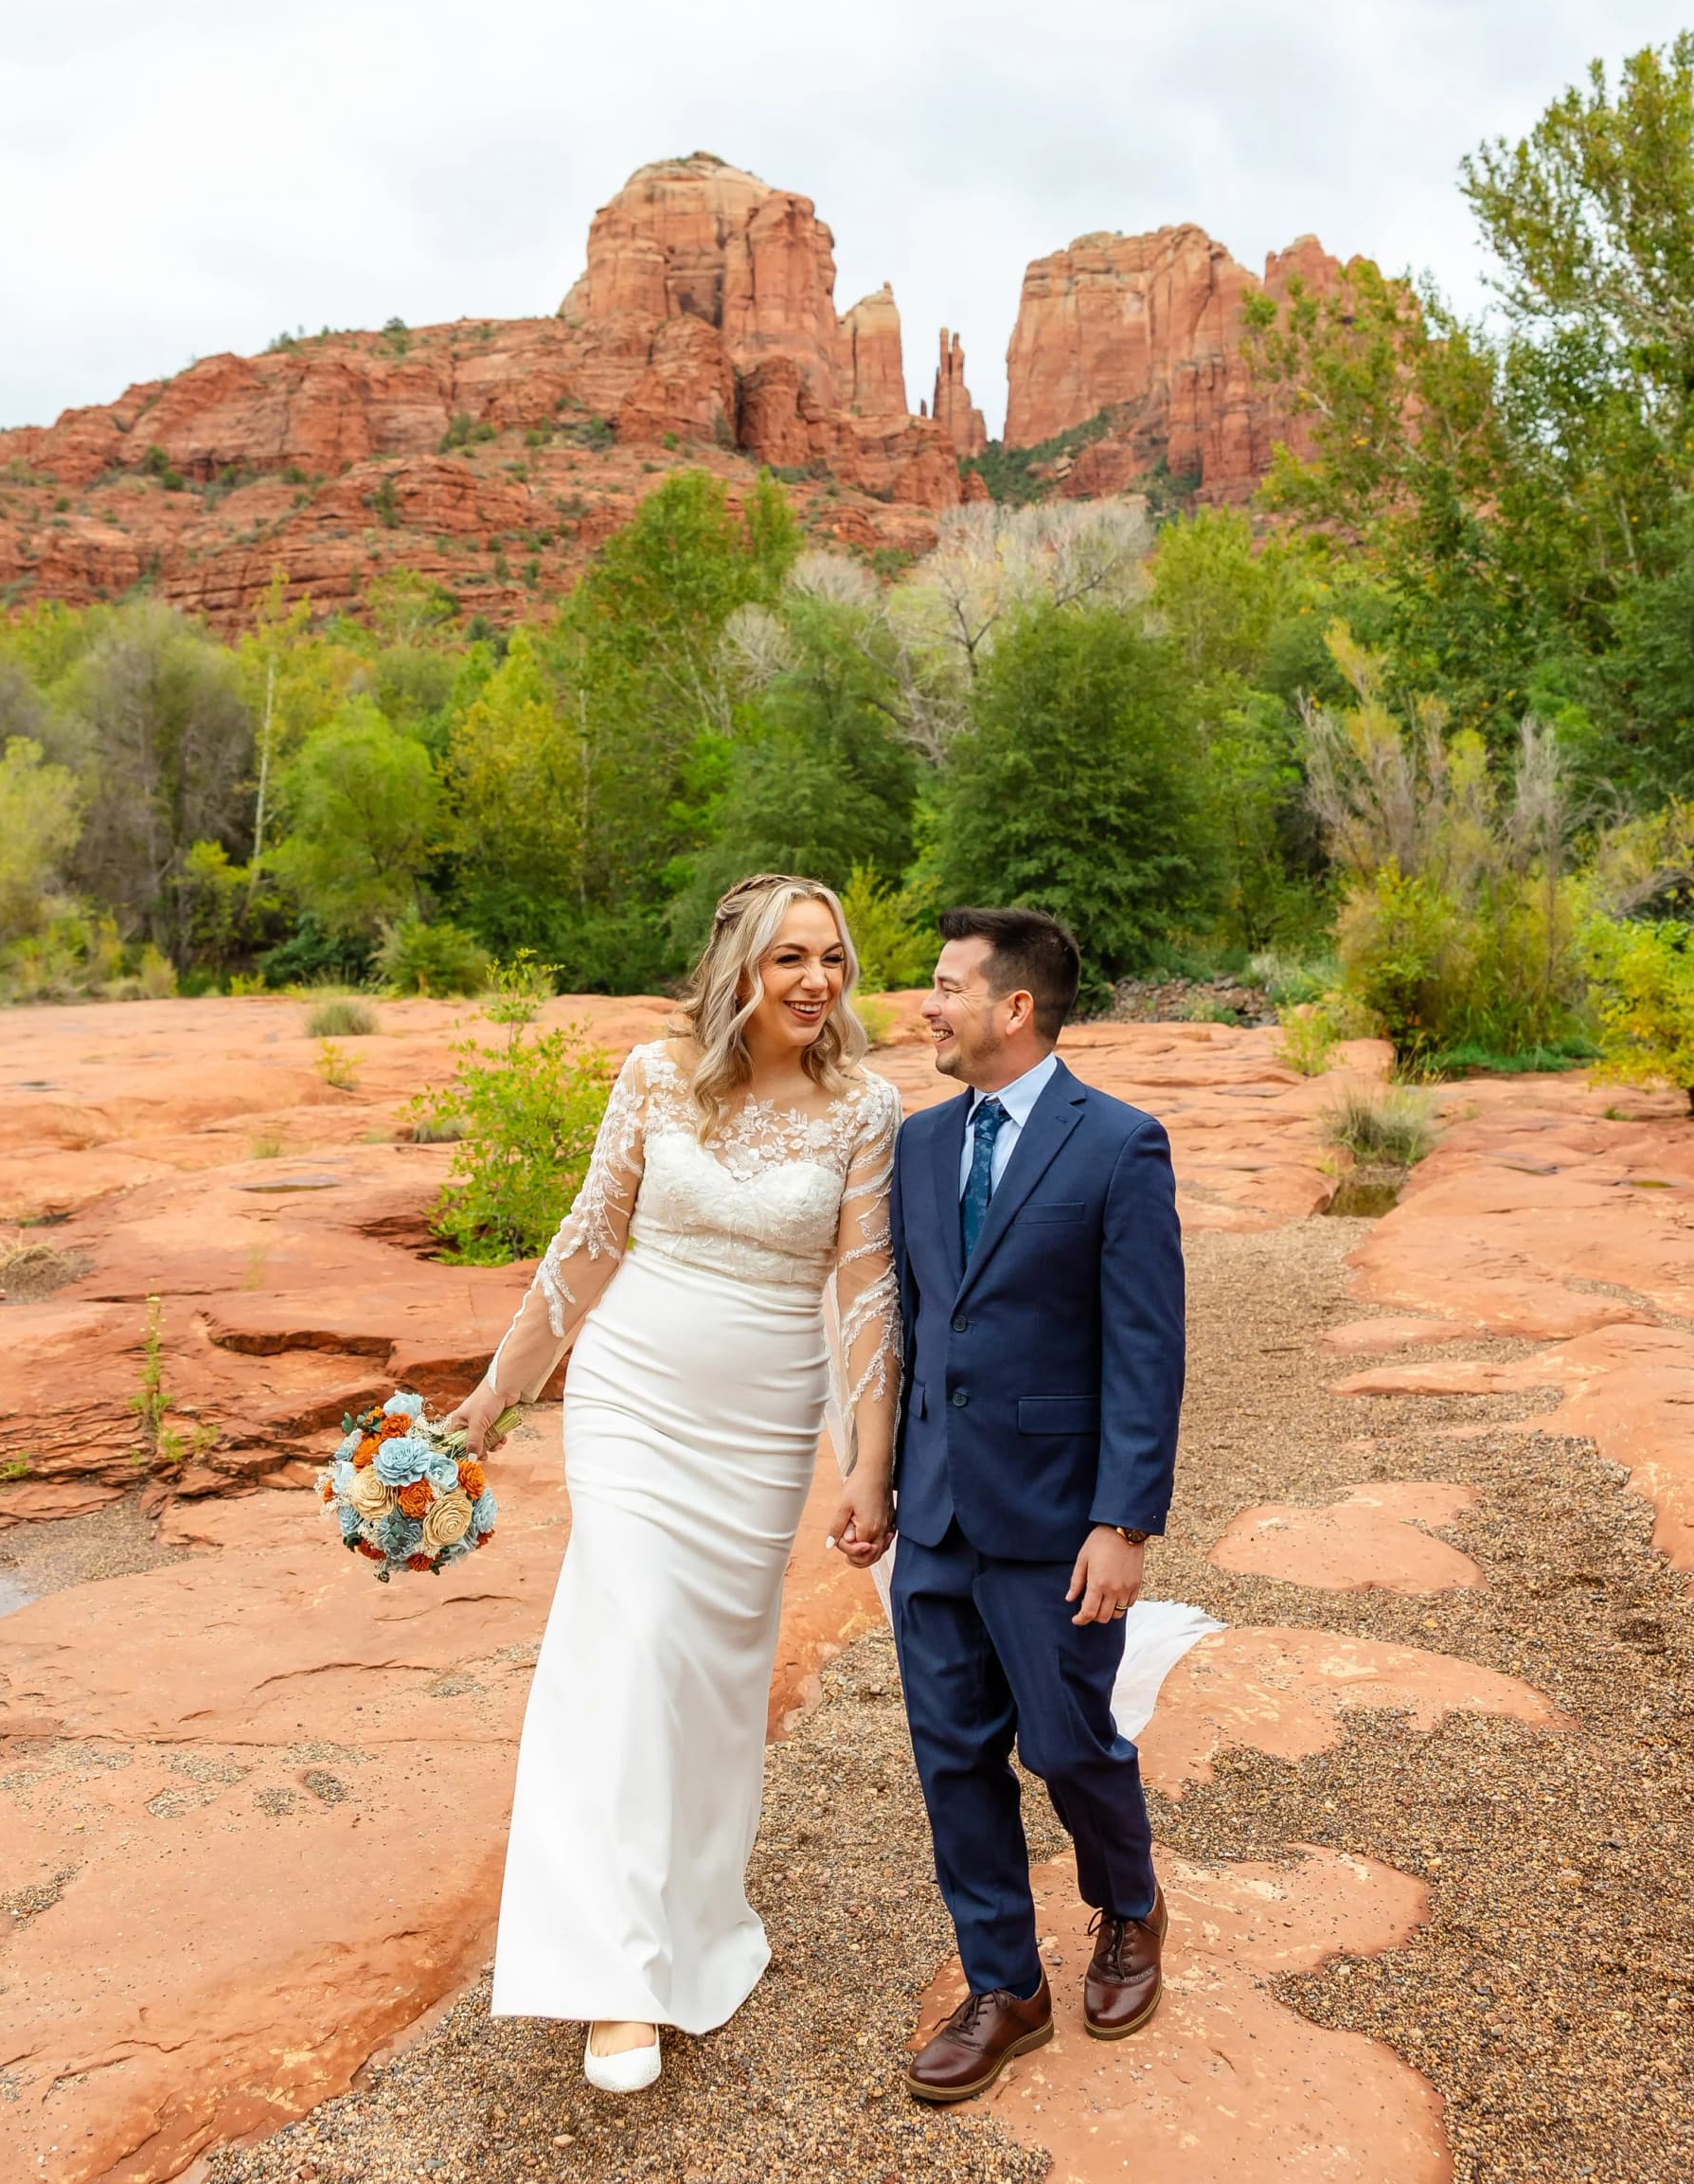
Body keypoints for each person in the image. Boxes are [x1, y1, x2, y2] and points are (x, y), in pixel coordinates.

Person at [442, 874, 900, 2096]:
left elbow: (865, 1294)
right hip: (633, 1398)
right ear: (739, 968)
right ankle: (610, 1973)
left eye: (834, 959)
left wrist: (870, 1462)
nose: (816, 981)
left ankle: (694, 1916)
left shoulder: (868, 1106)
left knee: (709, 1680)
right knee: (631, 1642)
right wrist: (497, 1396)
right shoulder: (652, 1078)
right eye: (791, 957)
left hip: (761, 1426)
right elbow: (589, 1241)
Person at [889, 906, 1186, 2103]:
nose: (928, 1005)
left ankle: (1129, 1902)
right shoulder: (915, 1143)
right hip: (936, 1515)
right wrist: (879, 1482)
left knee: (1067, 1744)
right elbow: (912, 1330)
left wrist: (1126, 1520)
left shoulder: (1119, 1143)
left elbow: (1146, 1347)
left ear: (1015, 1007)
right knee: (953, 1757)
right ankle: (1005, 1985)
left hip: (1061, 1520)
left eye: (949, 986)